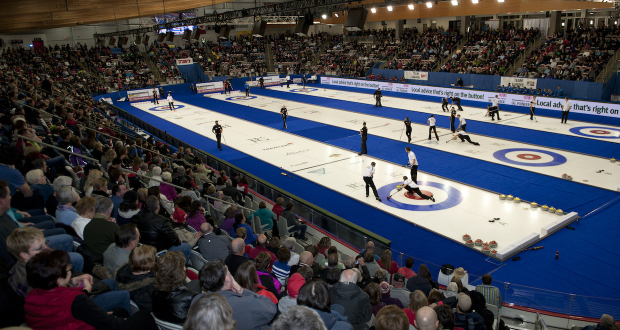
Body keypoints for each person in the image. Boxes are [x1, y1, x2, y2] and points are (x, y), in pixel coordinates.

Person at [23, 250, 157, 330]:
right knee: (144, 316)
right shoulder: (77, 301)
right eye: (69, 270)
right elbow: (112, 325)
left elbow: (66, 309)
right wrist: (119, 321)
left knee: (121, 310)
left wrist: (82, 290)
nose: (71, 271)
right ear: (58, 279)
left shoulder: (31, 295)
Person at [192, 259, 277, 329]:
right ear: (227, 278)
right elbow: (272, 309)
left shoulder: (196, 301)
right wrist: (242, 291)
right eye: (228, 272)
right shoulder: (247, 303)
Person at [130, 196, 192, 260]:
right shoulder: (163, 221)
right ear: (157, 207)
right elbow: (176, 241)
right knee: (187, 246)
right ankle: (181, 268)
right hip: (159, 252)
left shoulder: (135, 218)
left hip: (143, 248)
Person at [151, 251, 197, 324]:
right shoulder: (191, 298)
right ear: (179, 273)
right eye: (183, 266)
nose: (185, 268)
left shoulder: (154, 295)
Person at [115, 245, 157, 311]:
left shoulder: (122, 273)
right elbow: (154, 308)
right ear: (148, 263)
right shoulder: (146, 289)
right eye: (153, 259)